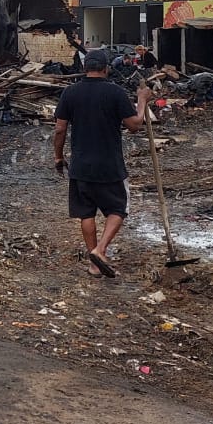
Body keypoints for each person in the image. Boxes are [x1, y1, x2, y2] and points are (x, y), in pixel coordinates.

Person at [52, 49, 150, 279]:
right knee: (118, 208)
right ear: (105, 68)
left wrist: (58, 156)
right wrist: (142, 101)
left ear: (84, 68)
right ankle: (101, 250)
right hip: (109, 165)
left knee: (86, 213)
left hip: (80, 166)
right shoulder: (114, 92)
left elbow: (59, 128)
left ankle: (94, 264)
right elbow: (135, 125)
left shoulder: (70, 93)